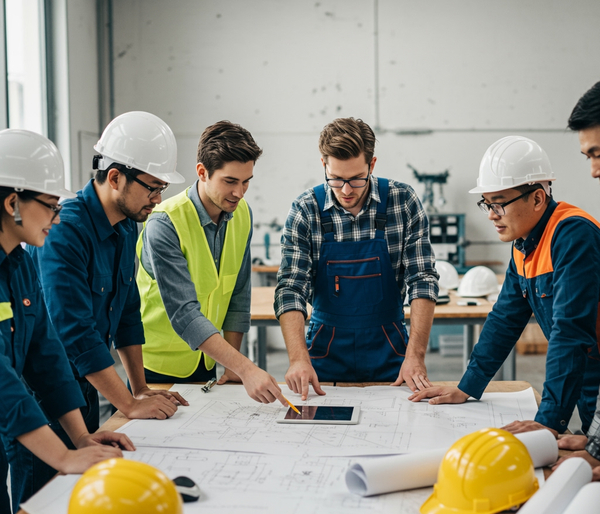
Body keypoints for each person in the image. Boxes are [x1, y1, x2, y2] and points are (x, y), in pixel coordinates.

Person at [26, 112, 189, 495]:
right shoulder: (64, 230)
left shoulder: (127, 225)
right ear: (115, 177)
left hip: (82, 388)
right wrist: (129, 406)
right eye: (152, 187)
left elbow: (128, 310)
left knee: (79, 493)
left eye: (162, 187)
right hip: (42, 396)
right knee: (39, 505)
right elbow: (73, 331)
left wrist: (140, 389)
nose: (158, 198)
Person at [409, 135, 600, 438]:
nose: (491, 215)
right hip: (585, 378)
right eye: (486, 203)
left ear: (538, 198)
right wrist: (467, 386)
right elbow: (505, 319)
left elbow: (570, 333)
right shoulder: (524, 244)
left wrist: (548, 420)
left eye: (499, 204)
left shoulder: (572, 235)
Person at [0, 129, 134, 514]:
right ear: (13, 203)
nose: (57, 218)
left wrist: (79, 438)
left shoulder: (20, 264)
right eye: (50, 206)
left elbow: (46, 354)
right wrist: (60, 455)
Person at [275, 117, 438, 400]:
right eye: (336, 179)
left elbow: (422, 280)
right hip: (323, 360)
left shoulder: (403, 202)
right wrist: (298, 359)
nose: (347, 190)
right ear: (323, 165)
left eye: (356, 179)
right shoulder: (306, 209)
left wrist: (416, 355)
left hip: (394, 357)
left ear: (372, 165)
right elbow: (290, 289)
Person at [137, 121, 285, 405]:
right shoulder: (164, 224)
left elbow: (239, 296)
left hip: (207, 359)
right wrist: (245, 366)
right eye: (230, 181)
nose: (240, 193)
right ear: (202, 172)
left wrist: (231, 363)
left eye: (246, 181)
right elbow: (184, 313)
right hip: (156, 369)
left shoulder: (242, 214)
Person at [553, 81, 600, 476]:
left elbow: (570, 329)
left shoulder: (574, 233)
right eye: (588, 157)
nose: (594, 171)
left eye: (599, 153)